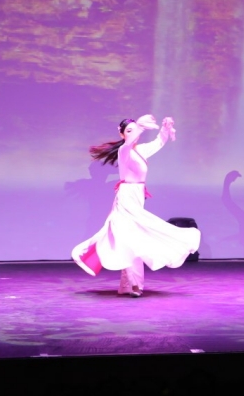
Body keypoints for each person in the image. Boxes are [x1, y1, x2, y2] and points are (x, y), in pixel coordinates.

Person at [71, 115, 200, 297]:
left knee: (131, 240)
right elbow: (128, 143)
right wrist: (138, 127)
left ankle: (127, 285)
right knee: (130, 238)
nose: (133, 134)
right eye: (129, 131)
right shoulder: (124, 151)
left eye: (135, 130)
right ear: (122, 134)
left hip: (137, 195)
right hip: (126, 197)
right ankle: (134, 285)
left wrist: (165, 128)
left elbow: (159, 142)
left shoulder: (140, 150)